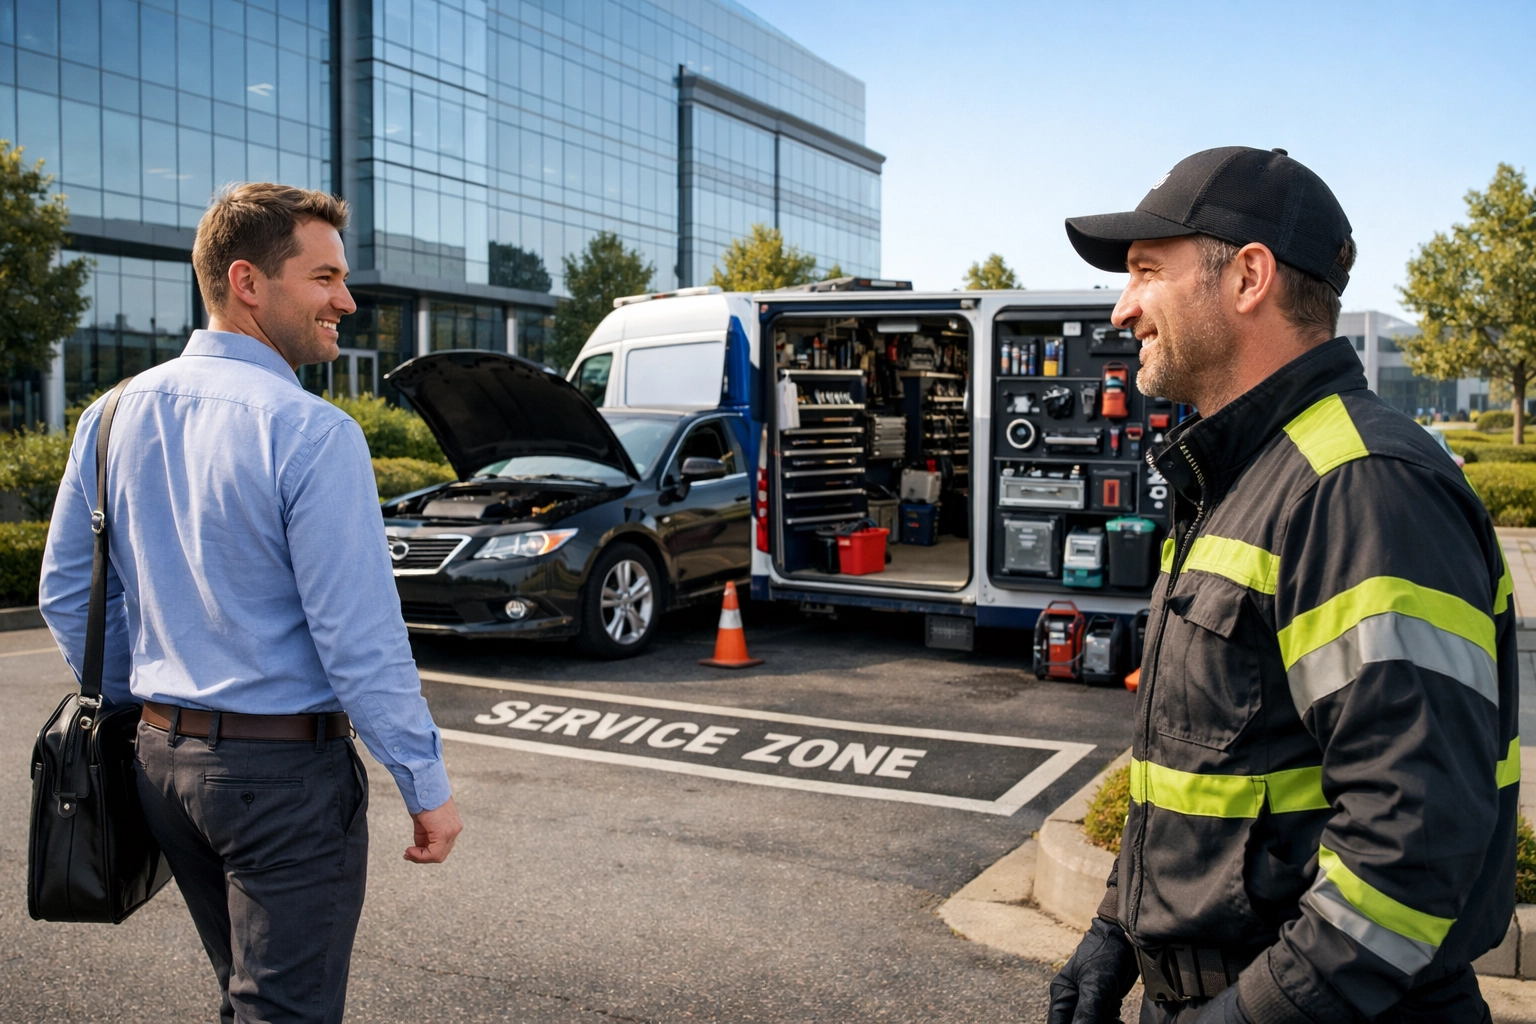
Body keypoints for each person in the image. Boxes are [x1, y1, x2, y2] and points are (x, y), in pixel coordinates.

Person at [1048, 147, 1517, 1023]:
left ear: (1249, 277)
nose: (1123, 308)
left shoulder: (1361, 486)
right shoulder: (1247, 475)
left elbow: (1411, 844)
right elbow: (1209, 760)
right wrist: (1119, 925)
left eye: (1147, 272)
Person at [40, 182, 464, 1024]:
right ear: (247, 280)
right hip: (282, 782)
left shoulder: (111, 415)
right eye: (324, 277)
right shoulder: (311, 431)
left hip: (162, 770)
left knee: (247, 995)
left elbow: (68, 592)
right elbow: (360, 639)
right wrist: (425, 781)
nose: (347, 299)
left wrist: (155, 706)